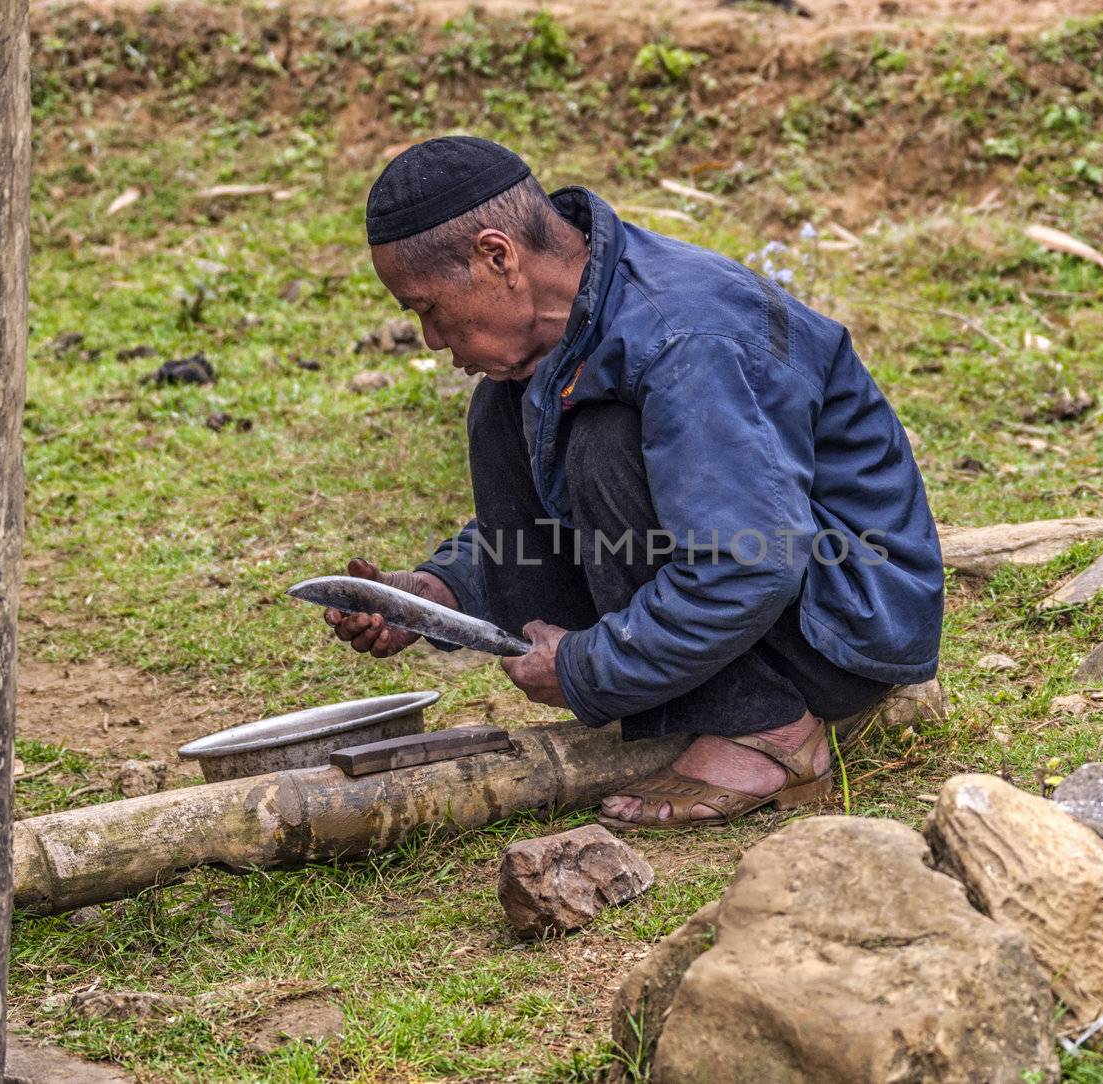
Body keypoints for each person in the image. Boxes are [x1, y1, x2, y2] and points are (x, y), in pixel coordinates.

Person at [324, 136, 944, 829]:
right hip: (763, 597)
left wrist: (590, 666)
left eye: (427, 308)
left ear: (498, 257)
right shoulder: (573, 330)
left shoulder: (685, 337)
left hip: (842, 625)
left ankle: (771, 729)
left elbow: (748, 564)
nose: (432, 339)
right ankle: (705, 698)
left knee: (603, 436)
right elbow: (556, 515)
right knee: (504, 406)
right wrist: (440, 593)